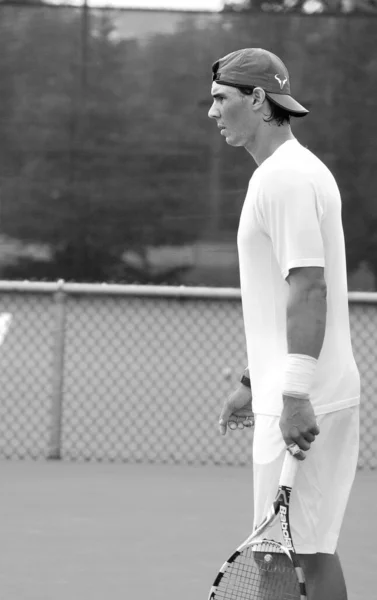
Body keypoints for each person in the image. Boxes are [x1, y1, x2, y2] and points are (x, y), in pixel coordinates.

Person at [208, 48, 360, 600]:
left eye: (222, 99)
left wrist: (293, 392)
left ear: (257, 99)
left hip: (306, 396)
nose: (213, 112)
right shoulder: (291, 173)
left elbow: (309, 288)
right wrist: (256, 382)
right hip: (304, 388)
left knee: (282, 555)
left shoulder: (285, 179)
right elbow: (287, 297)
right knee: (304, 550)